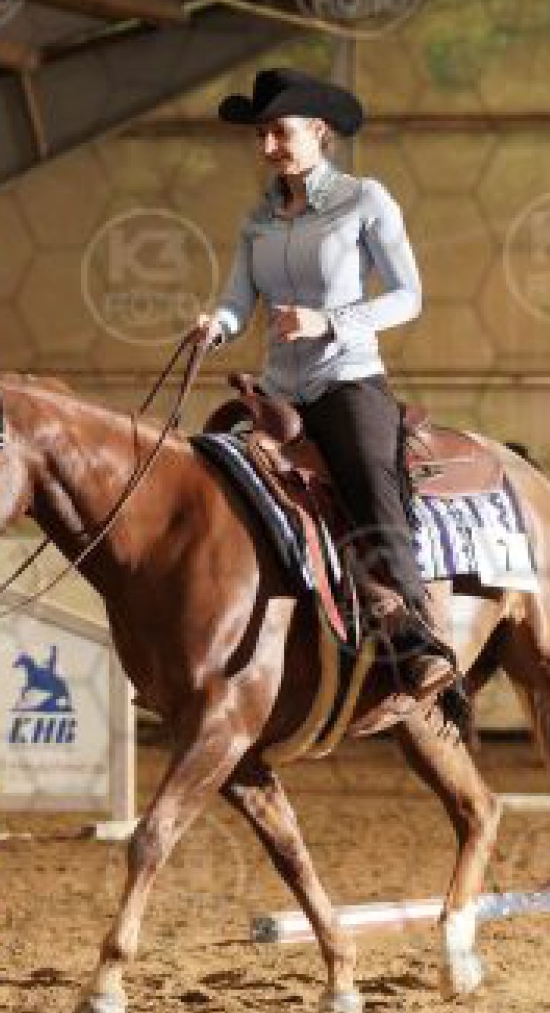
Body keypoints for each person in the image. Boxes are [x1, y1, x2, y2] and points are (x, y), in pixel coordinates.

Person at [188, 67, 455, 700]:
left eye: (279, 132)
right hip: (277, 392)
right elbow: (238, 300)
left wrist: (329, 321)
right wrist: (216, 326)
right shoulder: (257, 218)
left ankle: (417, 638)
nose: (268, 146)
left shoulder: (366, 200)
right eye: (260, 135)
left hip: (347, 381)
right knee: (216, 478)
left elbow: (409, 296)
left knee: (371, 483)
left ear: (318, 130)